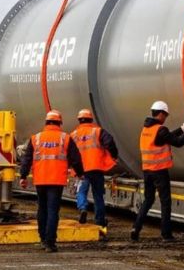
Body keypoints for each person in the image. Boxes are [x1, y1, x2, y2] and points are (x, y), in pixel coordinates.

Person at [130, 100, 184, 242]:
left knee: (148, 200)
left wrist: (182, 129)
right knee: (165, 202)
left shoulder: (146, 129)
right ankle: (166, 234)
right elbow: (178, 142)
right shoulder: (160, 129)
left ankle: (136, 228)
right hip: (159, 171)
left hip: (147, 171)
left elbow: (164, 138)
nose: (166, 118)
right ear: (161, 114)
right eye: (166, 115)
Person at [19, 109, 84, 252]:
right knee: (53, 210)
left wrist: (23, 176)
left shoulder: (36, 138)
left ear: (46, 122)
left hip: (40, 180)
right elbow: (76, 159)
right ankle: (50, 242)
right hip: (56, 180)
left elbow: (26, 159)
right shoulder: (65, 138)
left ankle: (42, 239)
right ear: (59, 123)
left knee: (42, 209)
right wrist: (80, 174)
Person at [70, 108, 118, 232]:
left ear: (79, 120)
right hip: (96, 168)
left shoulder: (73, 135)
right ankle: (100, 221)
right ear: (91, 119)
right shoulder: (98, 131)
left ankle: (83, 208)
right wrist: (114, 155)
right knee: (98, 196)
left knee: (81, 192)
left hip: (82, 170)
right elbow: (110, 142)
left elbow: (69, 153)